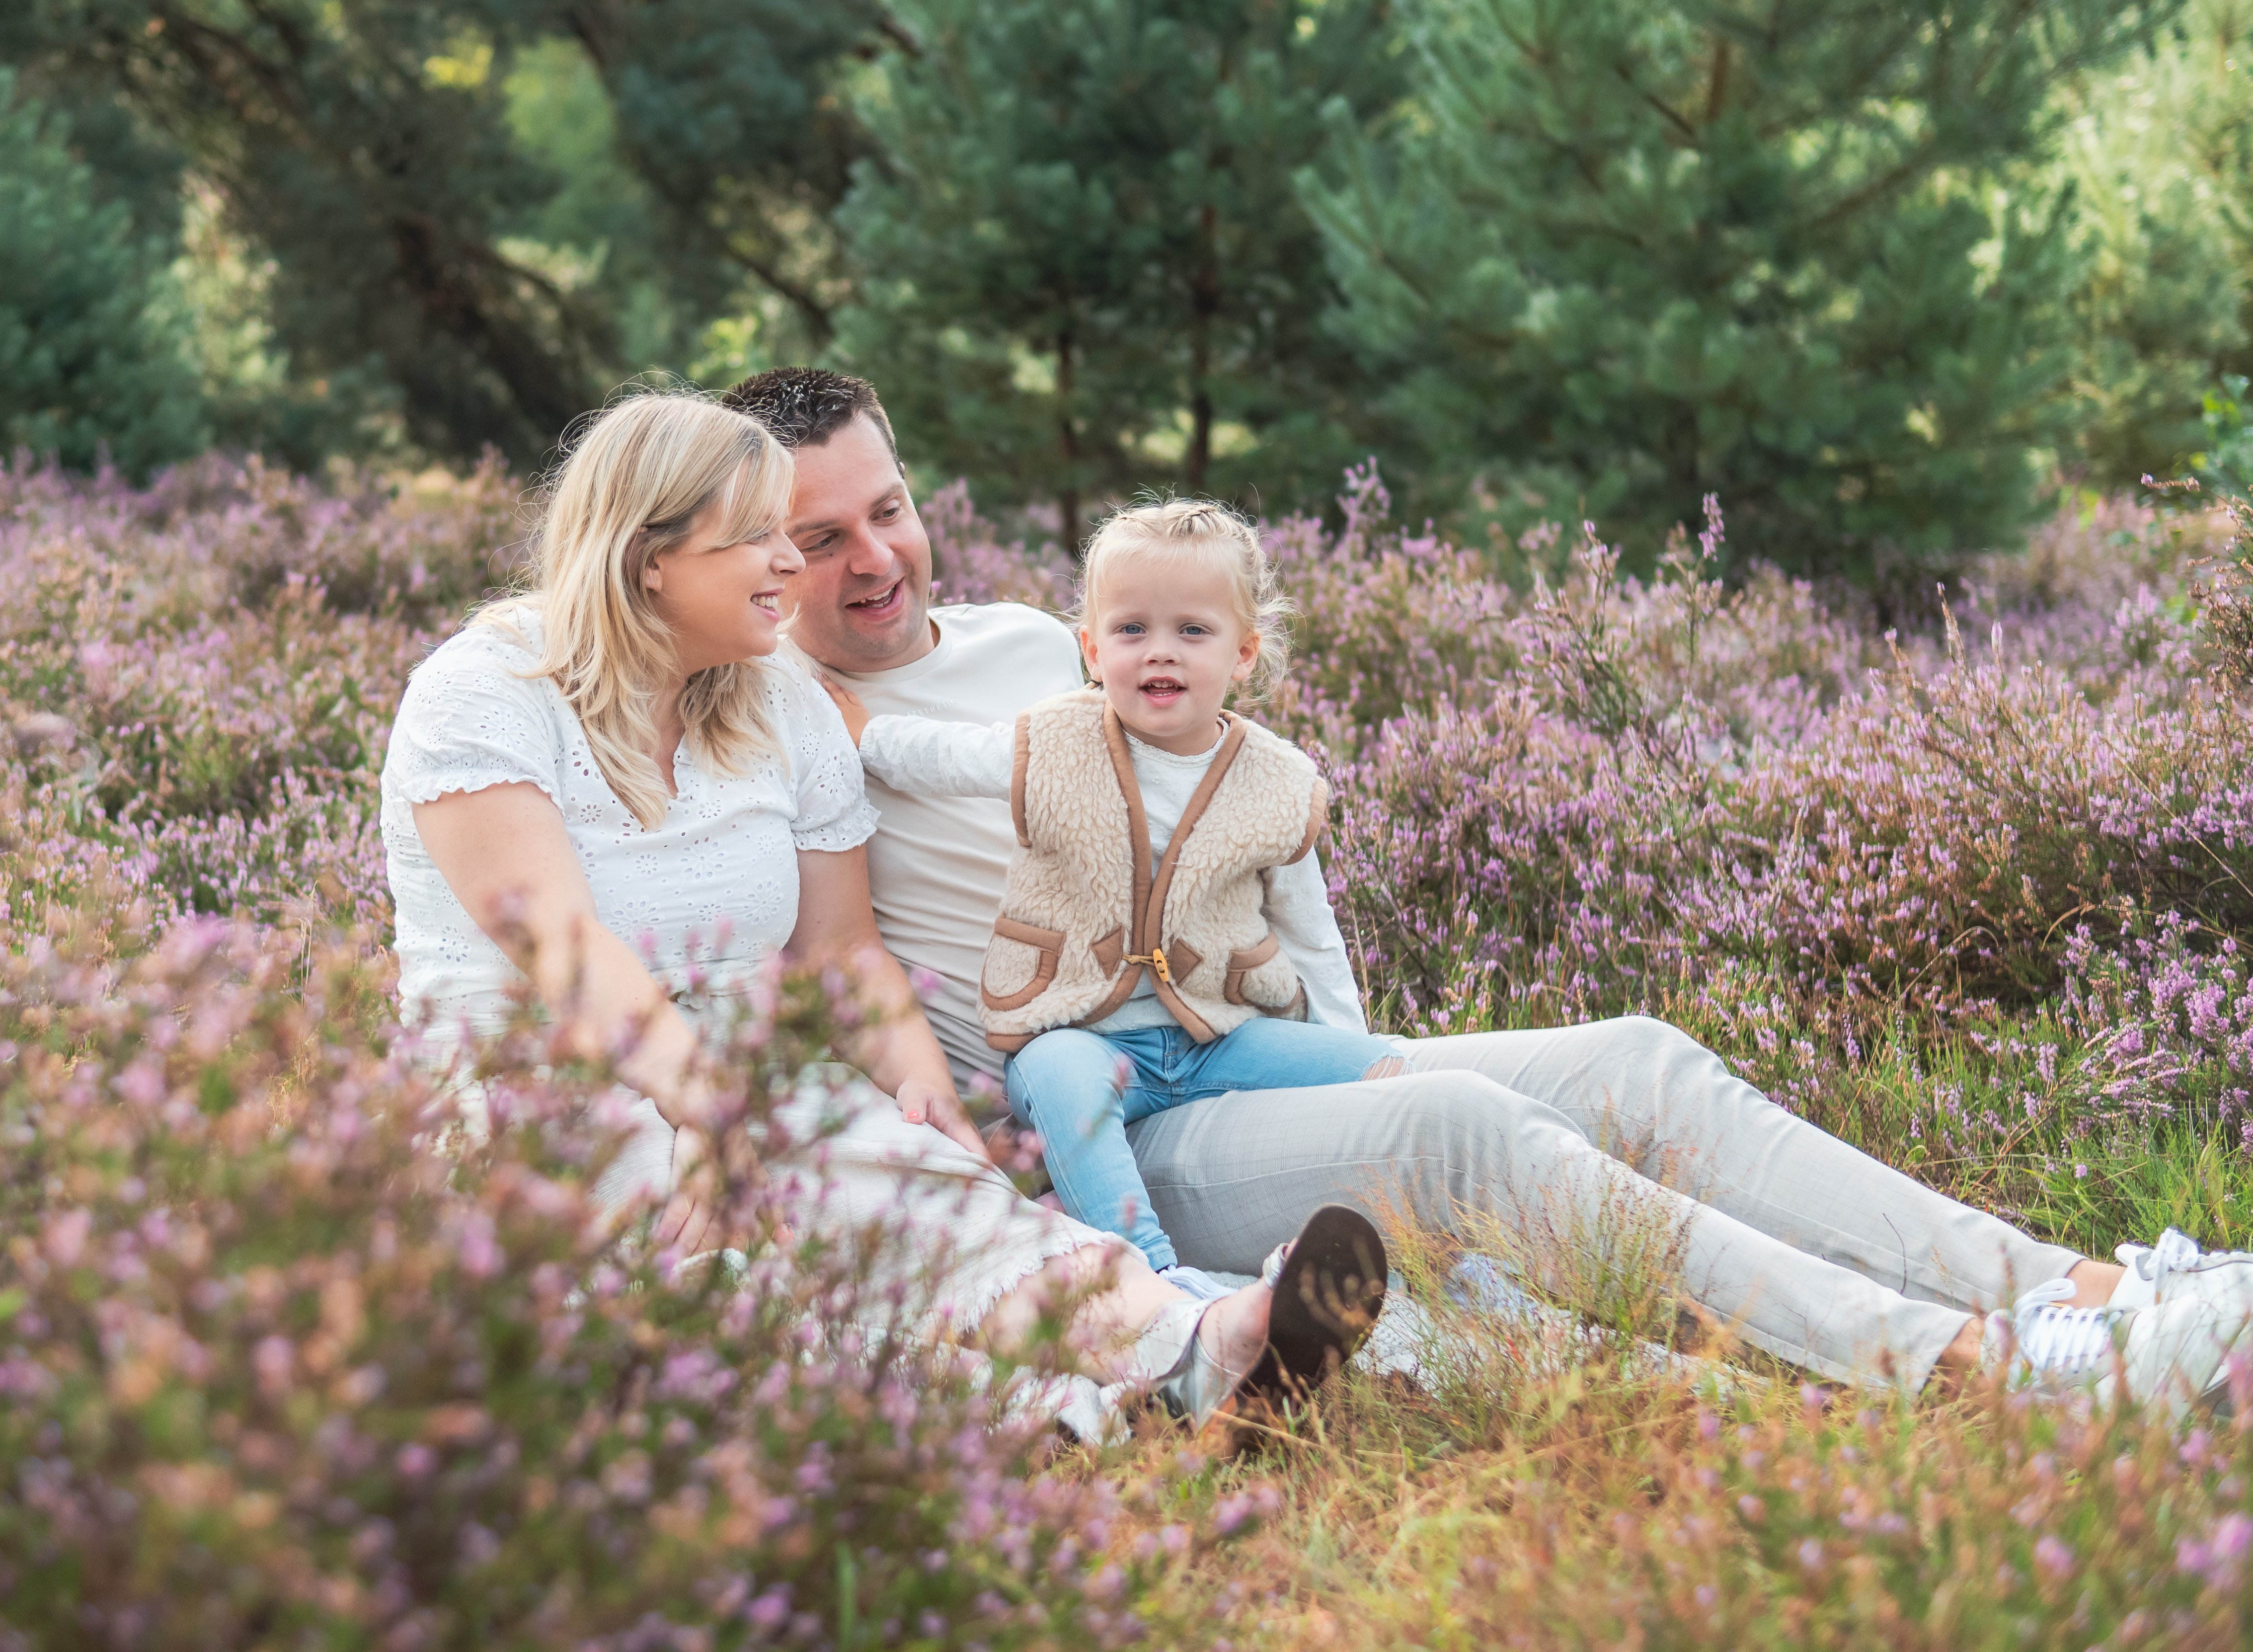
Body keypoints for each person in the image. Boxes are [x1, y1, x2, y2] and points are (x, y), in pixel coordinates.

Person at [720, 365, 2253, 1408]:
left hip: (1243, 1047)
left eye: (889, 508)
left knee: (1636, 1061)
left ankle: (2093, 1291)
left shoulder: (1035, 640)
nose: (874, 558)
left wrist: (1346, 1038)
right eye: (820, 538)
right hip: (1120, 1134)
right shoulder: (775, 729)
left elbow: (1227, 836)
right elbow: (803, 965)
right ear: (762, 558)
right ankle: (1981, 1369)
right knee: (1458, 1133)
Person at [376, 391, 1386, 1436]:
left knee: (940, 1211)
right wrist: (708, 1117)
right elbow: (566, 946)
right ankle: (1031, 1414)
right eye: (759, 535)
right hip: (541, 1085)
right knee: (706, 1268)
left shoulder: (778, 699)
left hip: (747, 1076)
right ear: (650, 560)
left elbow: (844, 950)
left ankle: (1197, 1342)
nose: (788, 562)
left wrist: (934, 1113)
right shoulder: (484, 692)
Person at [821, 497, 1403, 1282]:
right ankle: (1154, 1279)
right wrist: (868, 737)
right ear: (1092, 650)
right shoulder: (1059, 741)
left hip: (1220, 1034)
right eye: (1131, 630)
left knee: (1387, 1073)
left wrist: (1351, 1054)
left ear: (1244, 654)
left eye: (1192, 631)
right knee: (1059, 1082)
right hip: (1082, 1034)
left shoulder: (1278, 781)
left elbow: (1311, 934)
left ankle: (1433, 1250)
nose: (1160, 652)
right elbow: (951, 757)